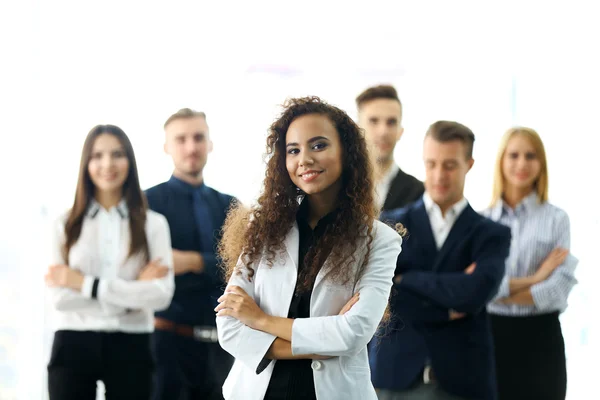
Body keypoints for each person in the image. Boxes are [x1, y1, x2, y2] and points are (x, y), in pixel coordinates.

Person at [214, 96, 403, 400]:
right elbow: (230, 326)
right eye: (293, 150)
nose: (304, 159)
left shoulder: (379, 240)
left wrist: (262, 322)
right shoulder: (262, 229)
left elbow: (352, 333)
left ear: (346, 152)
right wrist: (318, 343)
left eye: (318, 145)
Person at [371, 121, 511, 400]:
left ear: (469, 164)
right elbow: (384, 297)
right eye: (431, 164)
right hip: (393, 377)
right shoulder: (389, 225)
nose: (438, 175)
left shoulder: (492, 234)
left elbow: (474, 293)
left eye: (449, 165)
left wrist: (406, 279)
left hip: (463, 381)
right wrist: (448, 305)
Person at [45, 125, 174, 400]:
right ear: (86, 164)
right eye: (97, 156)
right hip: (72, 341)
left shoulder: (154, 224)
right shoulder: (63, 225)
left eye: (117, 154)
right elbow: (59, 299)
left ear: (130, 160)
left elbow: (161, 295)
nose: (108, 164)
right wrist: (132, 294)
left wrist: (83, 284)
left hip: (132, 343)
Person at [145, 108, 236, 399]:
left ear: (210, 143)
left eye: (198, 138)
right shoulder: (147, 203)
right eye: (181, 139)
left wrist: (192, 262)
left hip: (223, 348)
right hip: (167, 346)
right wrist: (213, 265)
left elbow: (241, 270)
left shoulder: (230, 206)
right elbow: (149, 270)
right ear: (166, 147)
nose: (191, 147)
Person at [482, 127, 578, 400]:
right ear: (501, 161)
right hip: (491, 337)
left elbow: (557, 292)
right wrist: (536, 280)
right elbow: (475, 289)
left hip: (541, 339)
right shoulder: (482, 222)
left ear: (541, 164)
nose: (522, 163)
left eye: (530, 155)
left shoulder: (558, 219)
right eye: (514, 155)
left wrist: (496, 292)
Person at [356, 84, 424, 211]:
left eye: (391, 122)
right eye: (374, 121)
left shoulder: (420, 194)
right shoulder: (338, 188)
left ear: (401, 131)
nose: (383, 131)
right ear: (357, 129)